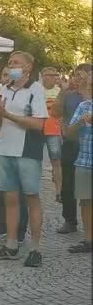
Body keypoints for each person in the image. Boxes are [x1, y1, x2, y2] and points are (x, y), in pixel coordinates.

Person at [0, 51, 48, 267]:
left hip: (27, 150)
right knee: (10, 199)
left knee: (31, 198)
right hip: (3, 148)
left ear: (28, 67)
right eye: (10, 62)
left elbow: (39, 124)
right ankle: (11, 245)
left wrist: (7, 115)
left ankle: (35, 248)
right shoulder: (4, 88)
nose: (12, 65)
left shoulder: (36, 89)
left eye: (16, 63)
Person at [54, 63, 93, 234]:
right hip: (71, 144)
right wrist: (63, 91)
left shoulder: (87, 97)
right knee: (68, 184)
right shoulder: (69, 95)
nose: (78, 78)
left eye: (82, 75)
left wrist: (86, 90)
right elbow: (55, 112)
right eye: (76, 75)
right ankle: (70, 220)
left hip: (87, 145)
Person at [65, 70, 92, 253]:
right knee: (86, 202)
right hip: (85, 161)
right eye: (90, 85)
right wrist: (81, 122)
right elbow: (69, 133)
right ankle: (89, 239)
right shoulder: (84, 106)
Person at [40, 67, 63, 201]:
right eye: (50, 75)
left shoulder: (59, 91)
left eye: (55, 75)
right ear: (43, 76)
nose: (53, 78)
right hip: (37, 129)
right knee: (35, 161)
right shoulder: (37, 90)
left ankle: (59, 191)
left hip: (54, 130)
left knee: (56, 161)